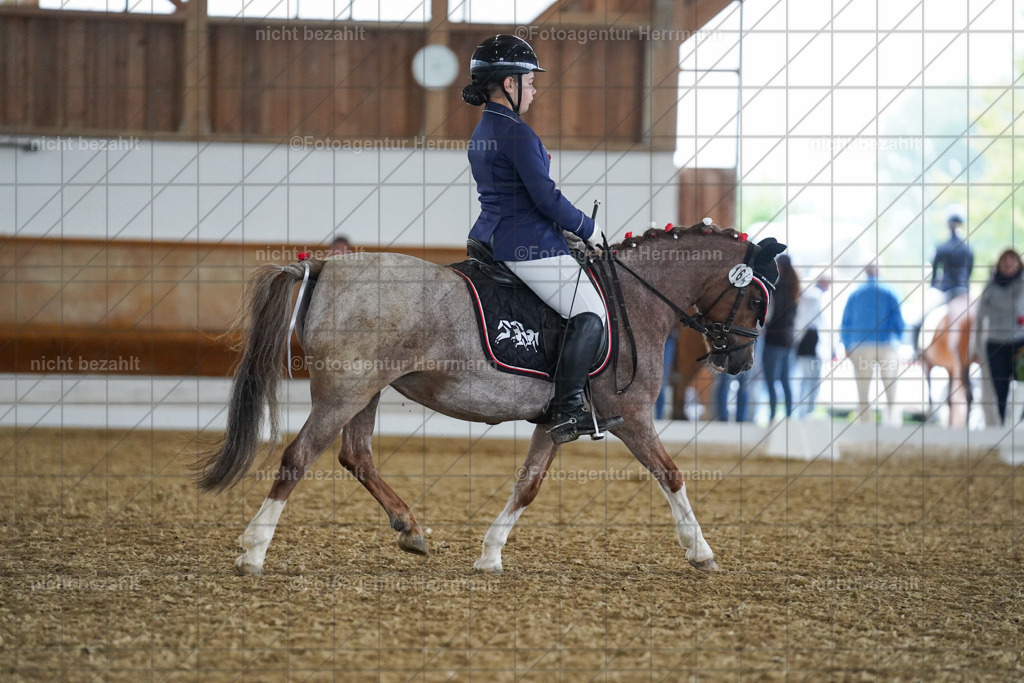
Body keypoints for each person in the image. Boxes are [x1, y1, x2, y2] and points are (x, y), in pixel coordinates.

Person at [461, 34, 620, 444]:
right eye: (529, 83)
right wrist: (588, 228)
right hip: (526, 245)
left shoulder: (486, 127)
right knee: (591, 313)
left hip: (492, 234)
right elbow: (545, 197)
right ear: (509, 84)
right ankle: (568, 410)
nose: (533, 90)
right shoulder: (518, 133)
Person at [840, 264, 906, 425]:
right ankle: (892, 425)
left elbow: (845, 322)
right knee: (891, 390)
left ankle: (865, 426)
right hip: (886, 345)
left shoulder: (855, 293)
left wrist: (847, 346)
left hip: (860, 345)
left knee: (862, 391)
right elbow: (899, 321)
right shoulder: (890, 291)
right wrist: (898, 340)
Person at [972, 249, 1024, 426]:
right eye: (1005, 262)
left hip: (1019, 343)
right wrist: (975, 348)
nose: (1008, 266)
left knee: (1021, 387)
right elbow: (980, 314)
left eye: (1012, 262)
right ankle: (1003, 427)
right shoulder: (990, 284)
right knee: (1000, 391)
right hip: (995, 343)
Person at [912, 204, 973, 353]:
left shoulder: (941, 247)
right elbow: (970, 271)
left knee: (918, 320)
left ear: (948, 224)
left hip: (944, 290)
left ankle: (916, 350)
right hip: (964, 291)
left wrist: (932, 286)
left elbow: (934, 270)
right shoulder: (968, 248)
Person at [760, 255, 799, 421]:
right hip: (789, 341)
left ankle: (772, 415)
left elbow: (769, 315)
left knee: (770, 380)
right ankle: (790, 415)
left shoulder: (775, 288)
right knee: (785, 380)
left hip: (773, 339)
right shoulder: (794, 289)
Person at [792, 272, 830, 418]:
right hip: (808, 343)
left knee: (810, 380)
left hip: (812, 344)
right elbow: (802, 320)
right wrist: (797, 340)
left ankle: (806, 413)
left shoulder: (818, 296)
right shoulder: (813, 296)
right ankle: (803, 413)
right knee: (808, 380)